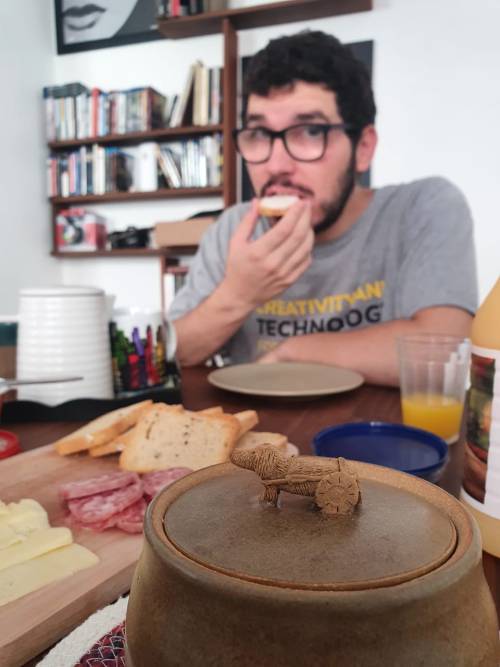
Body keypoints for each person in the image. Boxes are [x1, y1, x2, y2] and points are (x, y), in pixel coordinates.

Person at [169, 30, 477, 386]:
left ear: (363, 147)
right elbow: (176, 352)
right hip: (260, 441)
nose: (276, 164)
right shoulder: (233, 229)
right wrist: (239, 293)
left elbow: (446, 349)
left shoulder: (422, 208)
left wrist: (294, 352)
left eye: (310, 131)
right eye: (259, 134)